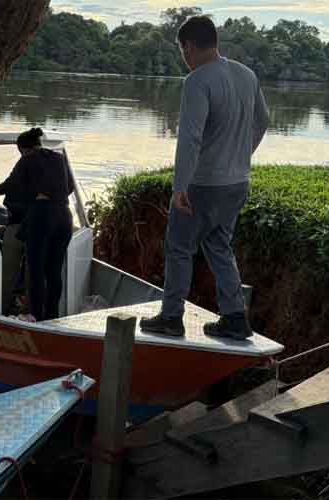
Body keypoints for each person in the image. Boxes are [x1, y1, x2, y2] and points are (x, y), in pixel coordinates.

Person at [140, 15, 269, 339]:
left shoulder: (197, 80)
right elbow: (263, 121)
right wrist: (242, 156)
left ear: (188, 46)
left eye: (182, 50)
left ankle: (171, 317)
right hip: (237, 181)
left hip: (203, 184)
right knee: (219, 245)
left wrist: (180, 186)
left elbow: (190, 138)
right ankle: (235, 317)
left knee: (179, 248)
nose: (184, 58)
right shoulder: (246, 74)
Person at [0, 128, 75, 321]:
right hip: (65, 217)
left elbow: (9, 184)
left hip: (43, 217)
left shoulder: (28, 159)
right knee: (53, 271)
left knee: (36, 270)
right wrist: (47, 194)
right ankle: (53, 316)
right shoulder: (59, 159)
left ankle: (33, 317)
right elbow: (70, 188)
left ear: (23, 149)